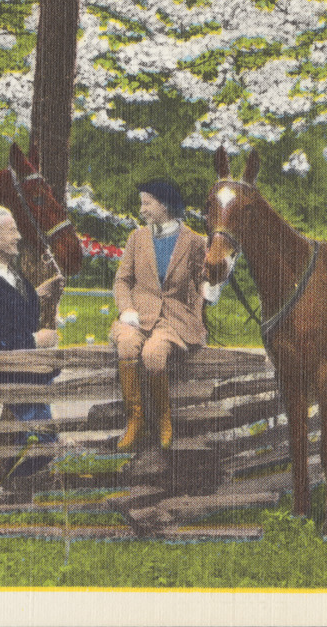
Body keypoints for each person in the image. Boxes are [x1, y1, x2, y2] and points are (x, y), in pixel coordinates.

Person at [110, 178, 220, 450]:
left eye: (147, 203)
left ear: (165, 205)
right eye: (142, 203)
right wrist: (127, 309)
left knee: (153, 354)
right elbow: (122, 280)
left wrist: (215, 281)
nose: (142, 209)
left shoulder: (194, 242)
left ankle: (163, 420)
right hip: (138, 315)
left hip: (174, 319)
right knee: (126, 344)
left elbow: (203, 280)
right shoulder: (137, 238)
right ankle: (135, 420)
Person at [0, 205, 64, 482]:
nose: (18, 236)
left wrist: (39, 295)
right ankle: (12, 490)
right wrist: (36, 340)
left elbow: (14, 310)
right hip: (15, 377)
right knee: (46, 444)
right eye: (11, 231)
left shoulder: (11, 274)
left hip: (29, 376)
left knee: (22, 441)